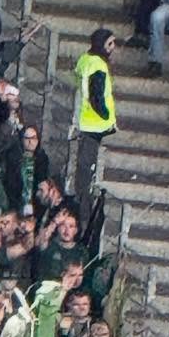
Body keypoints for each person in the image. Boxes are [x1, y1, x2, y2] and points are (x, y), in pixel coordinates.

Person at [72, 26, 118, 216]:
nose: (113, 47)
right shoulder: (98, 65)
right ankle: (83, 207)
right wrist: (106, 115)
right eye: (110, 43)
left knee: (86, 166)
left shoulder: (85, 59)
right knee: (86, 167)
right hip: (94, 123)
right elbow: (96, 95)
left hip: (84, 119)